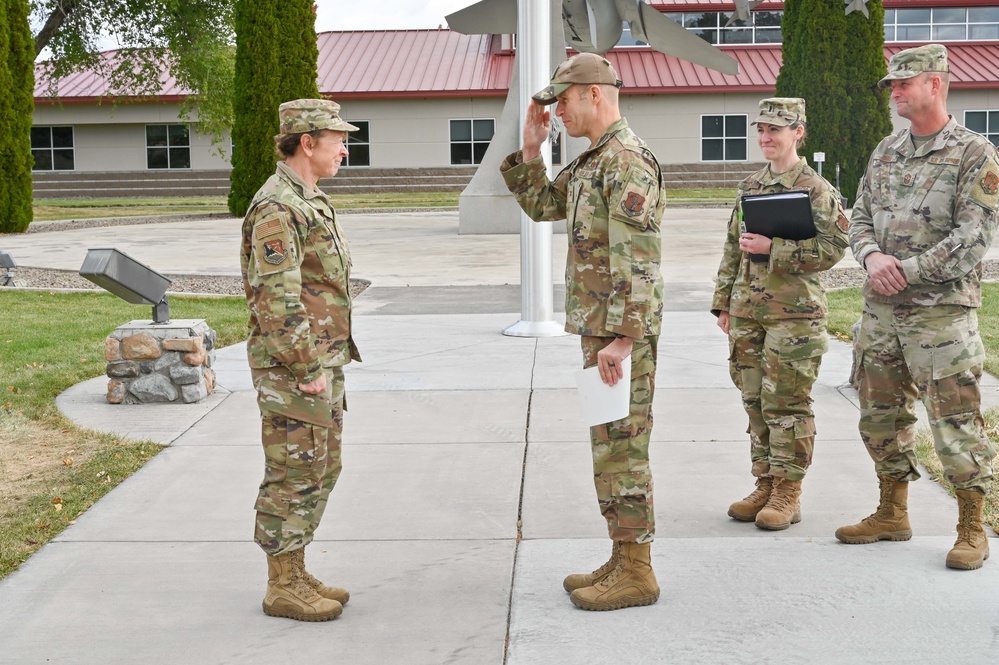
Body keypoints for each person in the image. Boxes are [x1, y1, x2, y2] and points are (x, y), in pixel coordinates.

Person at [500, 52, 664, 611]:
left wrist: (624, 339)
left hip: (621, 336)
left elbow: (639, 260)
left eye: (562, 101)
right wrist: (530, 148)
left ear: (594, 94)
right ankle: (623, 555)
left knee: (624, 448)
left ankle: (638, 571)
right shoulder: (594, 160)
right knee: (608, 446)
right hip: (602, 331)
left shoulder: (626, 162)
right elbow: (546, 204)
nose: (558, 112)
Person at [836, 44, 998, 570]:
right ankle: (892, 513)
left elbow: (975, 236)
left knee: (955, 421)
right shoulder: (886, 150)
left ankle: (972, 526)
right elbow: (857, 215)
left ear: (936, 84)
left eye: (904, 84)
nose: (895, 93)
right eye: (892, 86)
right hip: (881, 313)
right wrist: (871, 254)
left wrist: (905, 270)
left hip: (940, 315)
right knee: (879, 417)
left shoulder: (974, 153)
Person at [239, 98, 361, 620]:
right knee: (294, 470)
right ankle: (281, 583)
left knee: (321, 466)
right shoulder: (278, 208)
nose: (345, 149)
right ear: (306, 143)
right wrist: (307, 369)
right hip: (294, 368)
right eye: (337, 140)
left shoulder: (308, 199)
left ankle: (295, 566)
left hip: (320, 361)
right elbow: (277, 300)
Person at [711, 98, 849, 530]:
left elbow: (833, 248)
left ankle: (789, 490)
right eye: (762, 130)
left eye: (776, 130)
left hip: (795, 316)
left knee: (786, 402)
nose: (766, 137)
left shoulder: (815, 188)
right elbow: (733, 247)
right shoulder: (750, 184)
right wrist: (723, 303)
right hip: (748, 311)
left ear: (798, 132)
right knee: (754, 399)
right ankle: (765, 482)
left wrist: (777, 249)